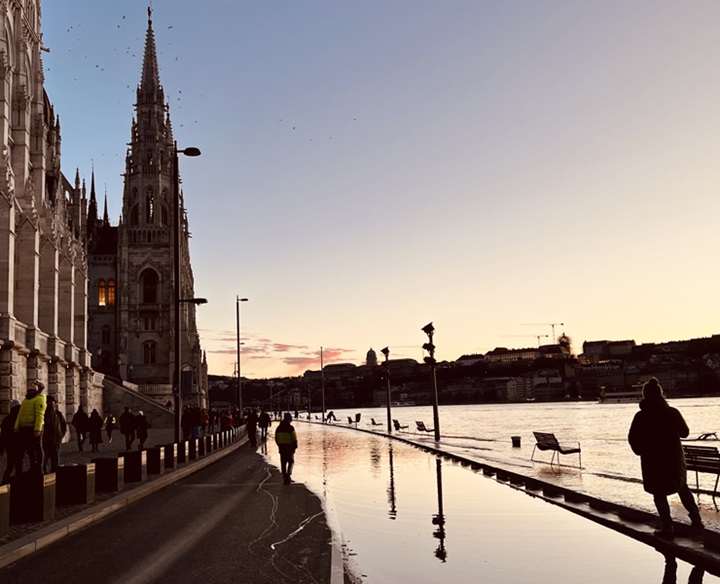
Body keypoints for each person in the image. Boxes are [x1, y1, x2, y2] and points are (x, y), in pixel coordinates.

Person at [628, 377, 704, 539]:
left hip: (652, 460)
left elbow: (632, 438)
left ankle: (667, 526)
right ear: (661, 394)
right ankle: (696, 519)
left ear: (645, 396)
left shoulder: (641, 416)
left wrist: (641, 450)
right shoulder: (672, 412)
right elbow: (685, 432)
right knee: (682, 487)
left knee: (659, 493)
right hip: (673, 458)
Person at [14, 380, 47, 474]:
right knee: (28, 450)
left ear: (39, 388)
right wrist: (16, 426)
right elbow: (20, 414)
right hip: (24, 428)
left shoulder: (40, 398)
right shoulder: (26, 399)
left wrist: (37, 429)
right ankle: (29, 468)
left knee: (38, 448)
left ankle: (39, 468)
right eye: (30, 385)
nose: (31, 385)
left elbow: (40, 415)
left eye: (34, 385)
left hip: (34, 427)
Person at [42, 395, 67, 472]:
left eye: (52, 403)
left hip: (56, 441)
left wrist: (60, 435)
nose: (51, 404)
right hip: (45, 441)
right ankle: (44, 477)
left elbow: (64, 425)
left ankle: (55, 477)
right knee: (43, 461)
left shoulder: (58, 414)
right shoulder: (43, 414)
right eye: (49, 402)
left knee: (55, 462)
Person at [0, 400, 22, 484]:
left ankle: (4, 482)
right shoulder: (20, 419)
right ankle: (18, 483)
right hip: (19, 445)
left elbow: (3, 436)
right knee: (18, 465)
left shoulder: (6, 419)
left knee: (10, 465)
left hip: (10, 446)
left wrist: (2, 448)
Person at [275, 413, 298, 485]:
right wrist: (295, 446)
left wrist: (279, 445)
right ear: (289, 420)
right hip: (289, 447)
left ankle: (284, 476)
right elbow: (294, 438)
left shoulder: (278, 428)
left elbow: (276, 438)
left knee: (283, 462)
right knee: (291, 461)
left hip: (282, 448)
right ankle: (288, 475)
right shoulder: (290, 428)